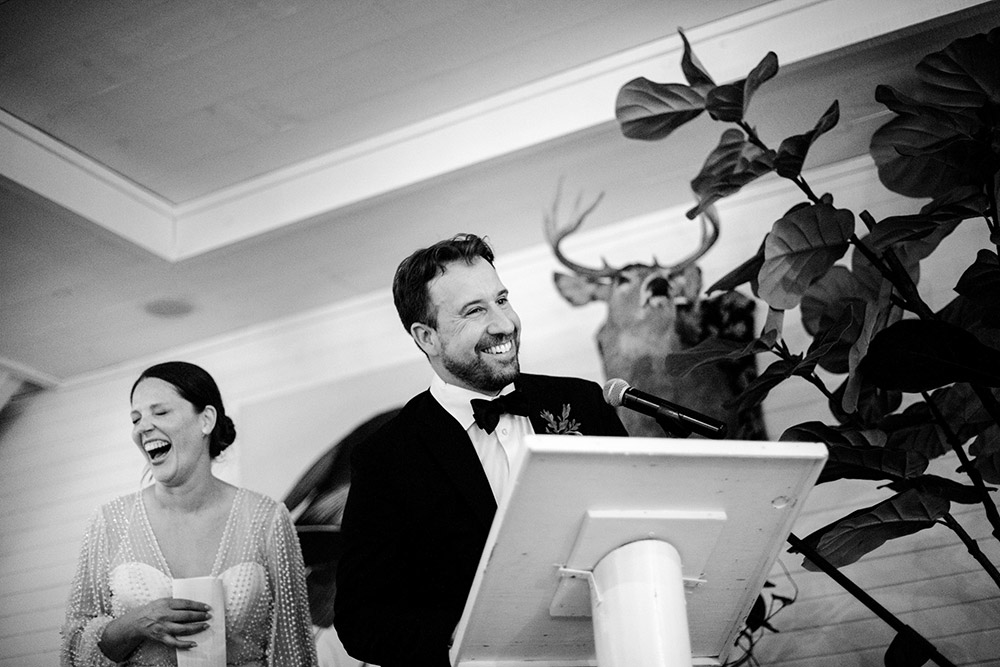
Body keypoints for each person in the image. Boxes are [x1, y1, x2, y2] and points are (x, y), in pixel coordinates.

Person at [334, 234, 628, 666]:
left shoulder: (584, 403)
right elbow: (361, 621)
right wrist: (466, 638)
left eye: (502, 300)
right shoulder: (386, 457)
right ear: (427, 337)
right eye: (475, 311)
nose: (504, 323)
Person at [61, 361, 319, 667]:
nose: (142, 427)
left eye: (160, 412)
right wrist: (136, 622)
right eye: (136, 418)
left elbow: (295, 647)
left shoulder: (267, 518)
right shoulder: (110, 520)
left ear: (206, 420)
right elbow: (74, 646)